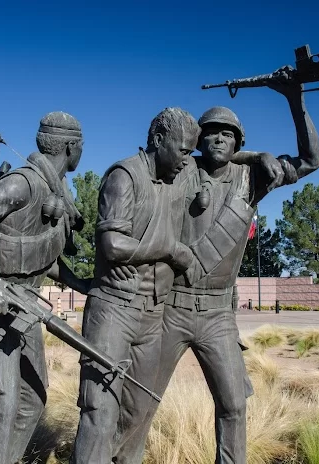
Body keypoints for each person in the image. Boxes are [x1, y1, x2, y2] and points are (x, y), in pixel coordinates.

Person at [113, 69, 319, 464]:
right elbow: (148, 161)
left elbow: (313, 160)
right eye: (210, 132)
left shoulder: (252, 179)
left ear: (238, 142)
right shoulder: (180, 171)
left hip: (217, 316)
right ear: (196, 140)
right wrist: (252, 152)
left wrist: (295, 100)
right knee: (139, 403)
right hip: (170, 307)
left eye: (227, 134)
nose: (218, 139)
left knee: (233, 406)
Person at [0, 111, 91, 464]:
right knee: (2, 406)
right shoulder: (23, 184)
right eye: (82, 145)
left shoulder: (58, 190)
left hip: (23, 310)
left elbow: (37, 254)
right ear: (71, 146)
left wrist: (80, 283)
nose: (82, 151)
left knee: (33, 400)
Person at [70, 107, 202, 464]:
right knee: (100, 411)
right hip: (114, 309)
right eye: (184, 150)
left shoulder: (179, 174)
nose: (188, 160)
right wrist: (171, 250)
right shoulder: (123, 176)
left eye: (192, 152)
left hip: (153, 315)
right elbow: (112, 244)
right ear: (159, 141)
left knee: (139, 411)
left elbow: (225, 158)